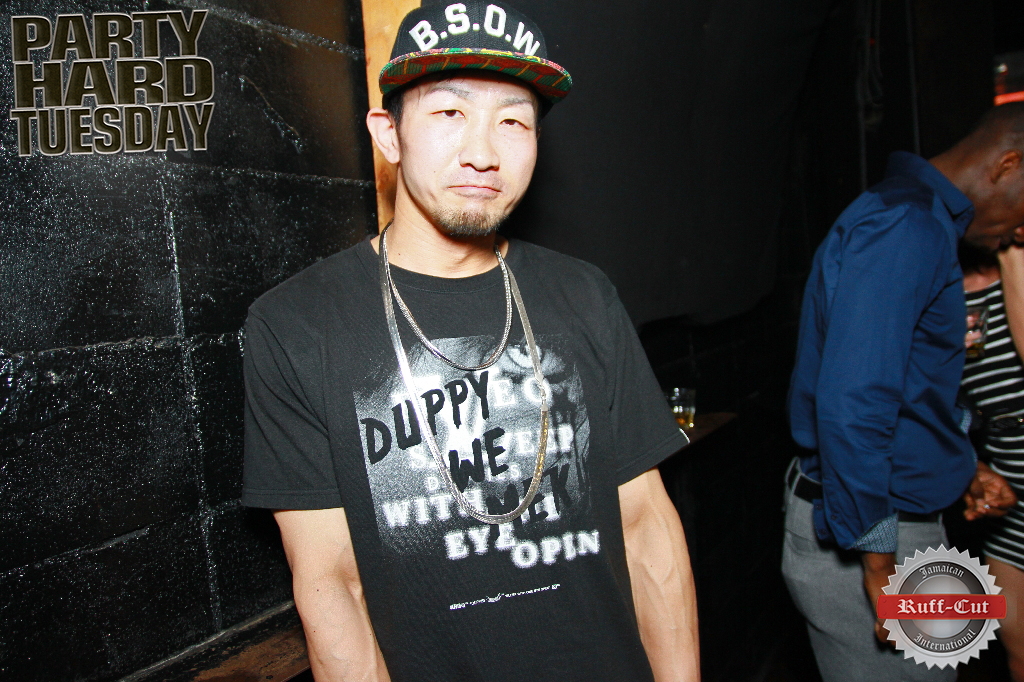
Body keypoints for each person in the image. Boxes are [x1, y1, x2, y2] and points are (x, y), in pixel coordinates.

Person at [241, 3, 699, 681]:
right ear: (389, 134)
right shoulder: (297, 323)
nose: (483, 153)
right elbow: (335, 586)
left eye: (513, 121)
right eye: (449, 112)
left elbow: (646, 528)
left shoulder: (584, 294)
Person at [784, 102, 1024, 682]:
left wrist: (959, 466)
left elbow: (905, 391)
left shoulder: (918, 220)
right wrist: (878, 566)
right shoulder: (906, 225)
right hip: (872, 532)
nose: (1020, 232)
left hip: (895, 524)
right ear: (1008, 164)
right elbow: (855, 407)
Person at [961, 242, 1024, 681]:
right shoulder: (934, 288)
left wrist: (1011, 256)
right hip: (1008, 502)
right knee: (1019, 654)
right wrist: (971, 467)